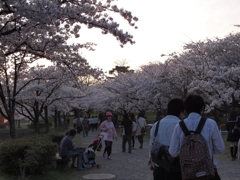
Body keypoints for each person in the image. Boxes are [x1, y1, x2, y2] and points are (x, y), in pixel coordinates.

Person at [169, 94, 225, 180]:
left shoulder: (179, 126)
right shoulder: (210, 124)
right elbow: (220, 148)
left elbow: (173, 152)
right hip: (208, 173)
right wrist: (206, 149)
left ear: (186, 109)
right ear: (202, 108)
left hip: (188, 174)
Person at [149, 98, 184, 180]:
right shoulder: (182, 125)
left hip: (159, 168)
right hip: (177, 169)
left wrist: (151, 162)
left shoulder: (156, 125)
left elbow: (152, 145)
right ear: (181, 111)